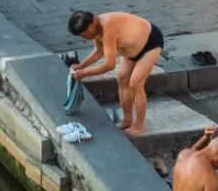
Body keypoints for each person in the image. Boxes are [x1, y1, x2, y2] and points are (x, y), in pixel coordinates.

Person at [67, 8, 164, 136]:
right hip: (131, 49)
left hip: (150, 43)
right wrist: (82, 66)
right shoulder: (96, 28)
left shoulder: (108, 29)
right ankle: (127, 120)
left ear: (90, 26)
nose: (83, 38)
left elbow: (110, 65)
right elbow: (98, 52)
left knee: (135, 83)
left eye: (83, 34)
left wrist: (85, 73)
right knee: (122, 79)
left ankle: (139, 126)